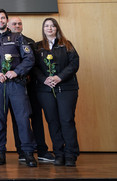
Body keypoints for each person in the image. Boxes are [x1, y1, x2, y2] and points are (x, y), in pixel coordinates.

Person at [0, 9, 37, 167]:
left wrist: (16, 72)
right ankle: (0, 153)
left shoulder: (18, 38)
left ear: (6, 20)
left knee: (23, 119)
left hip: (16, 85)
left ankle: (28, 154)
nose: (0, 20)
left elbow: (29, 58)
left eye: (3, 18)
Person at [33, 18, 80, 167]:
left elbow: (74, 63)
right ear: (43, 29)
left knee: (67, 120)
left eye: (52, 26)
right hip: (45, 90)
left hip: (66, 88)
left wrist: (59, 77)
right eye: (46, 26)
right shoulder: (38, 46)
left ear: (57, 28)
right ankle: (59, 154)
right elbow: (33, 67)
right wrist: (44, 79)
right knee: (52, 122)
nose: (49, 28)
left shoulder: (66, 44)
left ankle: (71, 154)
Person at [8, 17, 55, 163]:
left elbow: (36, 64)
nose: (17, 26)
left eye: (19, 23)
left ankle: (42, 150)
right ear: (8, 25)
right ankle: (22, 151)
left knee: (36, 117)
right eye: (14, 24)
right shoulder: (5, 42)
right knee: (18, 119)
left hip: (32, 85)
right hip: (14, 86)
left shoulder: (30, 42)